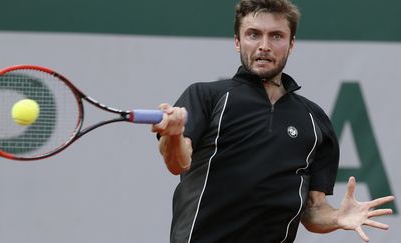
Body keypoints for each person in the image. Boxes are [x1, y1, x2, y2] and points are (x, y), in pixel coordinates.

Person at [151, 0, 395, 242]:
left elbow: (313, 210)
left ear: (291, 44)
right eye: (253, 35)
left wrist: (337, 218)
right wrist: (173, 136)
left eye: (276, 36)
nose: (264, 46)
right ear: (237, 42)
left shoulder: (314, 119)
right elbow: (178, 163)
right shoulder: (206, 96)